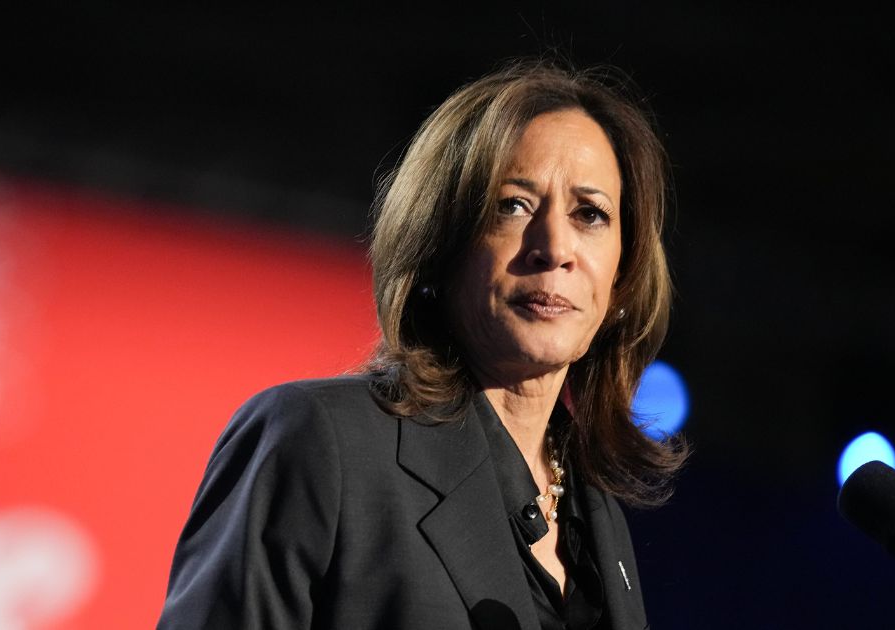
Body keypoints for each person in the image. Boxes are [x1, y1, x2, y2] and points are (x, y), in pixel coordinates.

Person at [156, 60, 687, 630]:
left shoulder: (596, 515)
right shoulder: (317, 442)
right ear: (439, 243)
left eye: (591, 214)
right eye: (513, 205)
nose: (554, 246)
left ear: (622, 276)